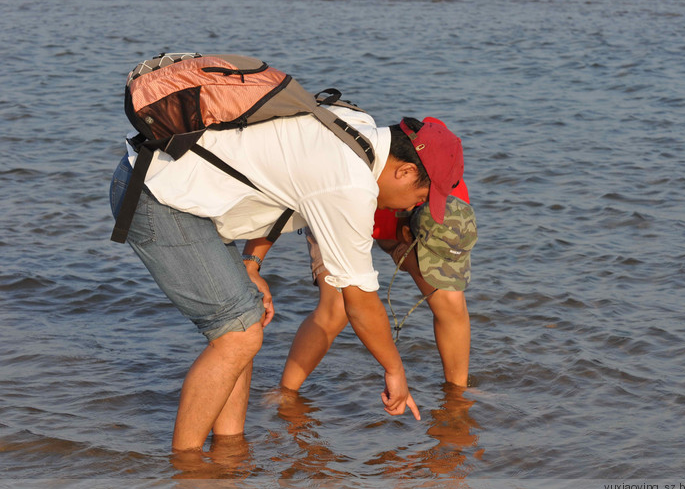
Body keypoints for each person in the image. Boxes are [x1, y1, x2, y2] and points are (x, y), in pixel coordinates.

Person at [109, 104, 464, 451]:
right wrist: (395, 370)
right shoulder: (351, 183)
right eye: (420, 196)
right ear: (402, 171)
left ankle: (229, 454)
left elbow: (281, 179)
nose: (410, 208)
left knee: (246, 321)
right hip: (156, 195)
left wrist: (251, 262)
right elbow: (358, 300)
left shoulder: (351, 124)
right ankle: (186, 471)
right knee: (238, 334)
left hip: (171, 183)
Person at [280, 191, 477, 392]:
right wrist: (254, 261)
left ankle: (457, 393)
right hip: (339, 213)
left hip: (404, 222)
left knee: (449, 301)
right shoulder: (351, 197)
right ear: (407, 237)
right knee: (337, 306)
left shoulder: (455, 209)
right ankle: (285, 394)